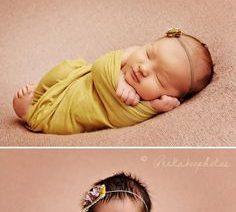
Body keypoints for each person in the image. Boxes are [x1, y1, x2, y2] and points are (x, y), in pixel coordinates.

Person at [12, 28, 213, 134]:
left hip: (80, 106)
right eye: (149, 53)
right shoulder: (131, 54)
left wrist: (152, 108)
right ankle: (39, 93)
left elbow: (118, 119)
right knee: (67, 66)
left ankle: (31, 113)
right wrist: (119, 81)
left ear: (169, 95)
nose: (144, 68)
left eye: (159, 78)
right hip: (83, 79)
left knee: (67, 120)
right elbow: (100, 67)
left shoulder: (143, 105)